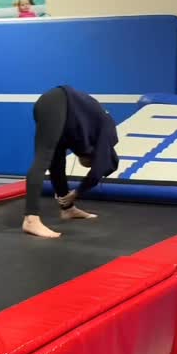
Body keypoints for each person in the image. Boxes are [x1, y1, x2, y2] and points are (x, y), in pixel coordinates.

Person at [23, 86, 119, 239]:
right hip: (58, 102)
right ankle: (31, 219)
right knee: (43, 159)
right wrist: (78, 191)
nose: (80, 158)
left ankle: (67, 209)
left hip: (56, 107)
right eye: (85, 161)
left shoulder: (84, 133)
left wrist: (68, 199)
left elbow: (58, 167)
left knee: (56, 162)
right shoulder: (108, 134)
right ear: (92, 156)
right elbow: (101, 168)